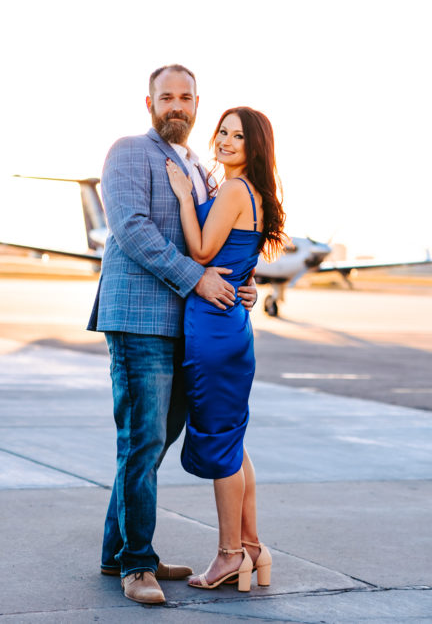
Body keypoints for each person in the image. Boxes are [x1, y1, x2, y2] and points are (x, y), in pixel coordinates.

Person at [87, 64, 257, 605]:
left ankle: (122, 551)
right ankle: (137, 567)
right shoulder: (129, 152)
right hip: (139, 320)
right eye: (167, 97)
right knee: (141, 444)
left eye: (186, 97)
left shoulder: (201, 167)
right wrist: (198, 278)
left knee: (151, 447)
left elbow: (212, 240)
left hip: (190, 326)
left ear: (197, 103)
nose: (176, 106)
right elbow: (132, 229)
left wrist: (242, 284)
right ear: (150, 103)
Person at [164, 106, 286, 592]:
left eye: (238, 136)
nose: (226, 140)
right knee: (232, 444)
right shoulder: (252, 193)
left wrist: (179, 197)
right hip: (231, 325)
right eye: (223, 131)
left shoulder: (234, 190)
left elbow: (200, 253)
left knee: (219, 444)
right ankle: (254, 549)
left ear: (255, 147)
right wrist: (247, 285)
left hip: (214, 330)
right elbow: (242, 264)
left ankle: (229, 555)